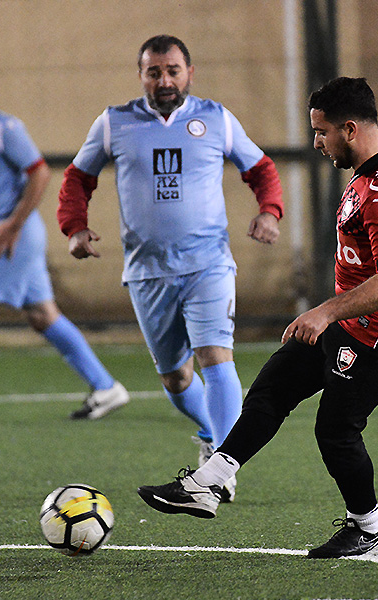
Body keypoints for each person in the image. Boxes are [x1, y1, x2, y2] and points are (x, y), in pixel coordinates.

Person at [138, 76, 378, 559]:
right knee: (273, 385)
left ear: (349, 128)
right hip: (360, 318)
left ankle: (368, 530)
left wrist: (325, 311)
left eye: (321, 132)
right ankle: (206, 484)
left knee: (336, 430)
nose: (316, 142)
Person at [57, 35, 283, 499]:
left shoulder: (216, 119)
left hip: (209, 263)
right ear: (140, 75)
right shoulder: (113, 123)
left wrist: (269, 210)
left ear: (189, 73)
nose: (164, 80)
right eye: (154, 72)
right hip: (147, 271)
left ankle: (218, 471)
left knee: (215, 357)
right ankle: (210, 434)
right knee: (176, 378)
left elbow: (261, 169)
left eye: (173, 70)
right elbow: (78, 178)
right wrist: (75, 228)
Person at [0, 65, 128, 426]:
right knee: (42, 315)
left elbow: (40, 172)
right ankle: (105, 387)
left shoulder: (5, 128)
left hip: (16, 235)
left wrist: (13, 224)